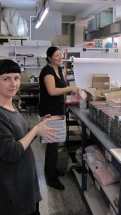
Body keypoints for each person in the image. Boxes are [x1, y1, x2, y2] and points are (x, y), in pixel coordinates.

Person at [0, 59, 58, 215]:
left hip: (25, 179)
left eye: (16, 78)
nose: (14, 83)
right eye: (6, 79)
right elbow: (11, 152)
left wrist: (37, 125)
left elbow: (20, 136)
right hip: (11, 184)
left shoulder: (11, 104)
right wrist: (35, 130)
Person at [39, 46, 79, 190]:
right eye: (56, 55)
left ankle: (51, 171)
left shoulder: (59, 70)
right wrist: (70, 89)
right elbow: (52, 91)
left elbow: (60, 89)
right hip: (49, 111)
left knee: (55, 143)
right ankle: (51, 179)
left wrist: (69, 97)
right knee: (52, 144)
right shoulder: (47, 71)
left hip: (57, 109)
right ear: (49, 57)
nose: (60, 57)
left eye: (60, 55)